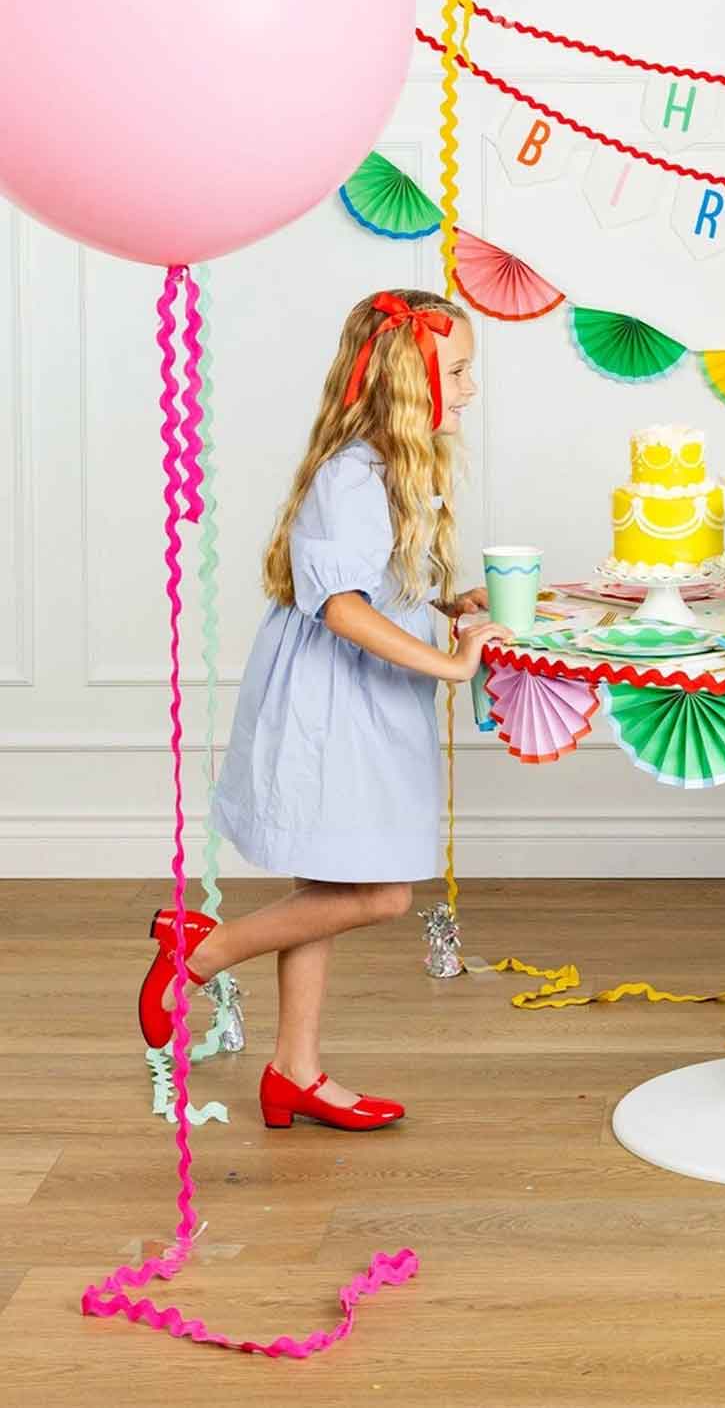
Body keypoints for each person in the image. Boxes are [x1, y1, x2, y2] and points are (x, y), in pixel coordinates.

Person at [135, 289, 512, 1131]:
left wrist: (444, 604)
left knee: (329, 880)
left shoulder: (387, 468)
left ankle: (294, 1069)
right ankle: (198, 953)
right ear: (410, 380)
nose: (471, 389)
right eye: (459, 371)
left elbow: (375, 586)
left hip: (362, 693)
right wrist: (453, 663)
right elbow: (341, 606)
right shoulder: (352, 476)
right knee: (378, 891)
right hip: (335, 701)